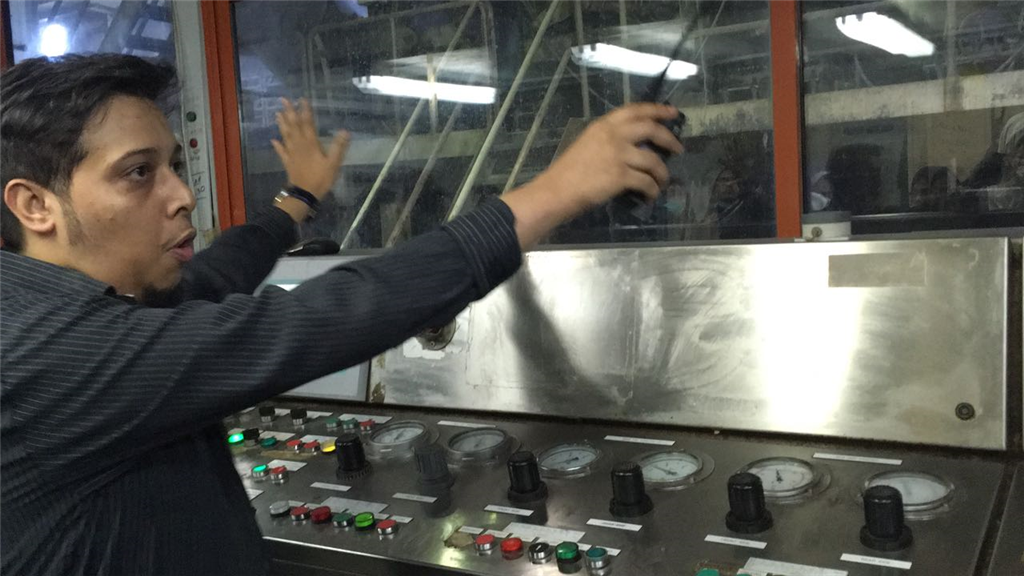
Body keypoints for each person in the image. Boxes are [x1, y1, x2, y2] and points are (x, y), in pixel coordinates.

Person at [0, 54, 681, 576]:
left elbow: (217, 274)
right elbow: (322, 316)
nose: (182, 195)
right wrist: (558, 190)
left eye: (174, 165)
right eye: (138, 173)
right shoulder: (45, 354)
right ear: (34, 206)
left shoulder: (77, 302)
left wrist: (296, 200)